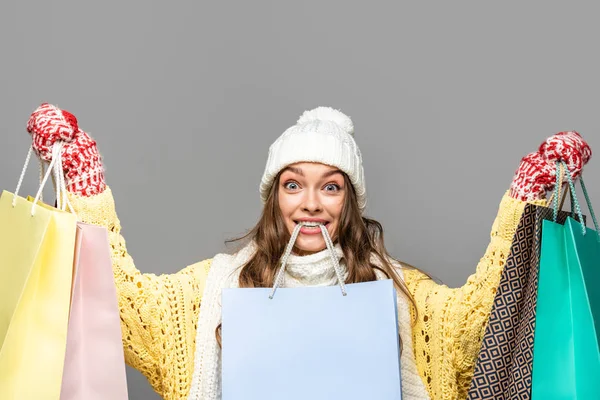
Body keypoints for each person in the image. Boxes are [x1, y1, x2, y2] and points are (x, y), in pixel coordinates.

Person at [25, 103, 591, 400]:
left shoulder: (398, 292)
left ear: (349, 199)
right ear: (274, 198)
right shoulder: (213, 287)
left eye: (331, 185)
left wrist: (528, 198)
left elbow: (479, 330)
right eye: (293, 184)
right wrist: (82, 183)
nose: (312, 204)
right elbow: (122, 309)